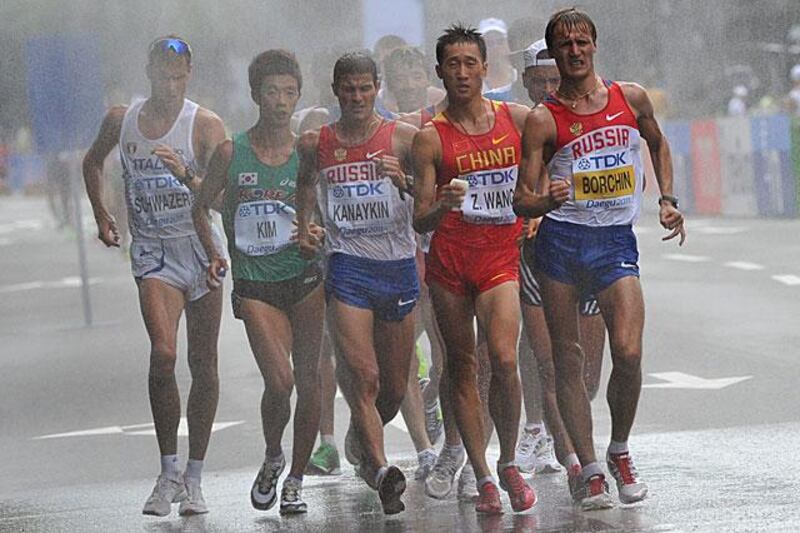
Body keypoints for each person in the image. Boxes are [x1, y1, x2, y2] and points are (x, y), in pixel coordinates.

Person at [513, 8, 686, 510]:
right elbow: (522, 199)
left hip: (613, 242)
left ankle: (620, 449)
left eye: (582, 41)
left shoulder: (628, 98)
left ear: (594, 45)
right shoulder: (544, 119)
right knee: (567, 358)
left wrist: (668, 199)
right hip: (562, 245)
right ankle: (589, 470)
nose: (574, 50)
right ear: (554, 51)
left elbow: (657, 143)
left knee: (628, 352)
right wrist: (546, 202)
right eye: (564, 44)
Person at [82, 36, 226, 516]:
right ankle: (167, 472)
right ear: (148, 71)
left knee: (203, 365)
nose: (171, 82)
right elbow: (92, 162)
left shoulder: (203, 125)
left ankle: (195, 477)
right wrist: (102, 215)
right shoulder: (122, 121)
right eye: (163, 74)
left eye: (179, 73)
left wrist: (187, 174)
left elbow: (224, 199)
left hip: (201, 250)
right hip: (153, 255)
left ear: (189, 73)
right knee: (164, 354)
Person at [191, 49, 324, 515]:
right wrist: (214, 255)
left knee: (310, 384)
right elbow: (201, 207)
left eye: (289, 93)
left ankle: (296, 481)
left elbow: (323, 210)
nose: (281, 102)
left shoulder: (307, 148)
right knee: (281, 382)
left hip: (306, 279)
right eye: (272, 93)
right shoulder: (232, 151)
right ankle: (273, 455)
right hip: (256, 285)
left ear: (298, 96)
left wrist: (317, 232)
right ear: (255, 96)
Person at [412, 24, 536, 515]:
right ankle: (482, 474)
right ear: (440, 72)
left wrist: (537, 206)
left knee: (504, 359)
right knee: (460, 365)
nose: (462, 73)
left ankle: (509, 462)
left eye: (471, 63)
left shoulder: (518, 119)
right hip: (450, 264)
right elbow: (420, 216)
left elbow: (547, 163)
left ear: (485, 67)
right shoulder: (429, 138)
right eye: (453, 65)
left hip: (499, 259)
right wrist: (442, 203)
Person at [295, 51, 418, 515]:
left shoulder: (403, 137)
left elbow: (428, 192)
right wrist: (307, 225)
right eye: (349, 89)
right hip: (347, 266)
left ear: (377, 88)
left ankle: (358, 438)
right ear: (336, 91)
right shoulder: (317, 142)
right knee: (363, 376)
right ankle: (384, 472)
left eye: (365, 88)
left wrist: (404, 179)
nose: (358, 97)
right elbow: (305, 186)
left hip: (399, 266)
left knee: (390, 387)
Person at [514, 39, 607, 487]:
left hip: (593, 253)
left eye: (556, 79)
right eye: (540, 81)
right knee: (548, 361)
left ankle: (567, 433)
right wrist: (530, 210)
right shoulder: (517, 124)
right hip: (536, 257)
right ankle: (572, 457)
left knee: (586, 374)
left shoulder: (595, 116)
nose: (550, 87)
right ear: (526, 82)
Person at [479, 18, 517, 102]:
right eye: (489, 42)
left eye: (500, 41)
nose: (495, 47)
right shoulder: (475, 83)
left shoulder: (518, 77)